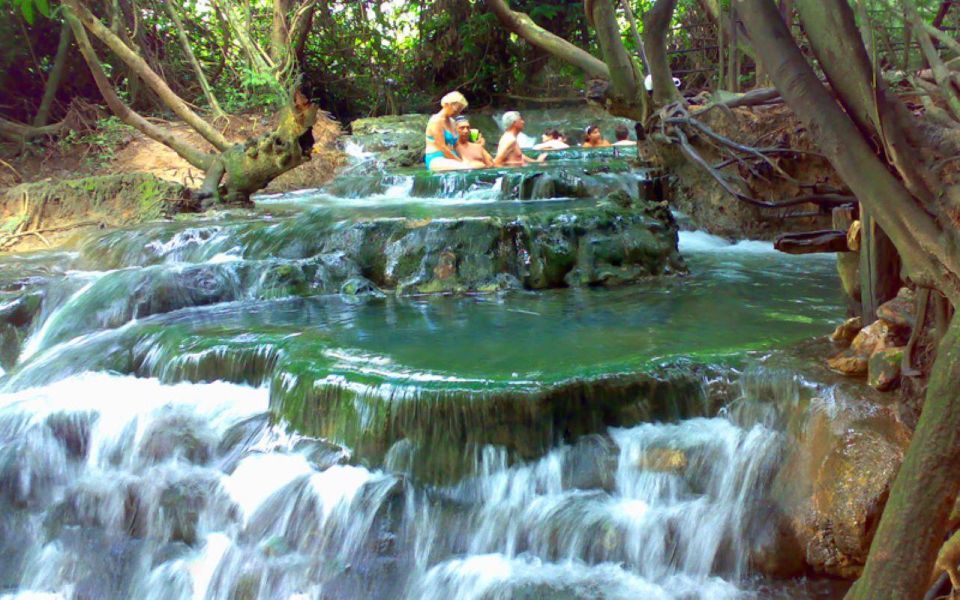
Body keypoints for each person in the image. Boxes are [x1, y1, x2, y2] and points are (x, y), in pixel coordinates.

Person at [424, 91, 471, 171]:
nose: (458, 112)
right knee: (466, 167)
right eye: (457, 109)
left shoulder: (452, 122)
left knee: (476, 164)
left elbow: (457, 145)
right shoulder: (436, 121)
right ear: (448, 105)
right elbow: (442, 147)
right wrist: (460, 161)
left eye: (460, 110)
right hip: (436, 158)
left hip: (452, 157)